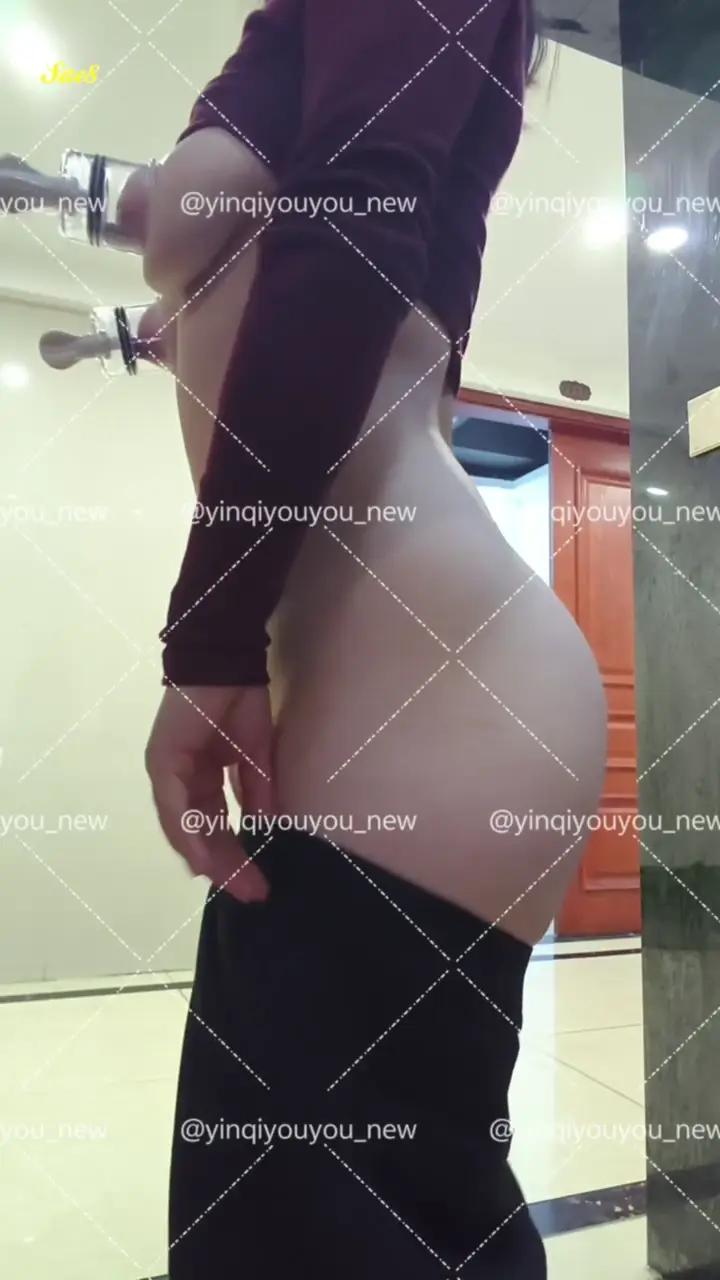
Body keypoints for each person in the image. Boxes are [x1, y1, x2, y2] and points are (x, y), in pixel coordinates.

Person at [137, 1, 607, 1276]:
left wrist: (209, 642)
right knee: (332, 1214)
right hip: (396, 673)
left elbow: (350, 230)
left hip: (423, 678)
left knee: (308, 1223)